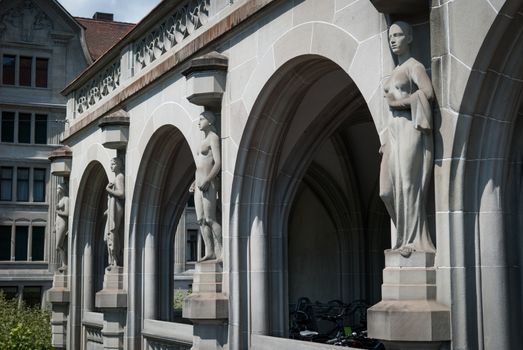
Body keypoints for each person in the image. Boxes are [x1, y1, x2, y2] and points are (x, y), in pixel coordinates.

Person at [380, 21, 436, 257]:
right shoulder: (394, 71)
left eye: (399, 35)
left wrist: (399, 103)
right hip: (393, 134)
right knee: (386, 191)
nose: (393, 40)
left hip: (409, 129)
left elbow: (428, 93)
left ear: (410, 38)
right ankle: (403, 234)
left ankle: (413, 242)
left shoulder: (415, 66)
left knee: (407, 184)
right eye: (391, 36)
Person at [192, 110, 222, 261]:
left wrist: (208, 180)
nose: (199, 122)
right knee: (201, 220)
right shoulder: (202, 141)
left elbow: (218, 163)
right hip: (198, 184)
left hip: (208, 184)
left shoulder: (213, 138)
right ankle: (209, 251)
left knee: (210, 218)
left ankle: (221, 250)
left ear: (210, 121)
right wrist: (194, 182)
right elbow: (199, 166)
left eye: (202, 119)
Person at [104, 157, 125, 267]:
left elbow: (121, 194)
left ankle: (116, 258)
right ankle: (113, 259)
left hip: (117, 207)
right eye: (110, 164)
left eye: (113, 164)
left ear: (118, 164)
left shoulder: (120, 177)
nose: (111, 166)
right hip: (114, 207)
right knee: (111, 233)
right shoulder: (117, 177)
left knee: (113, 232)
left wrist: (109, 190)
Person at [55, 182, 69, 271]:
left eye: (58, 188)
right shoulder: (60, 200)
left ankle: (65, 264)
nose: (57, 190)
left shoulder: (66, 199)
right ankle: (64, 264)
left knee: (58, 246)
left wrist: (58, 212)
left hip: (63, 224)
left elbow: (67, 213)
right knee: (62, 245)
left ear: (62, 189)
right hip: (58, 224)